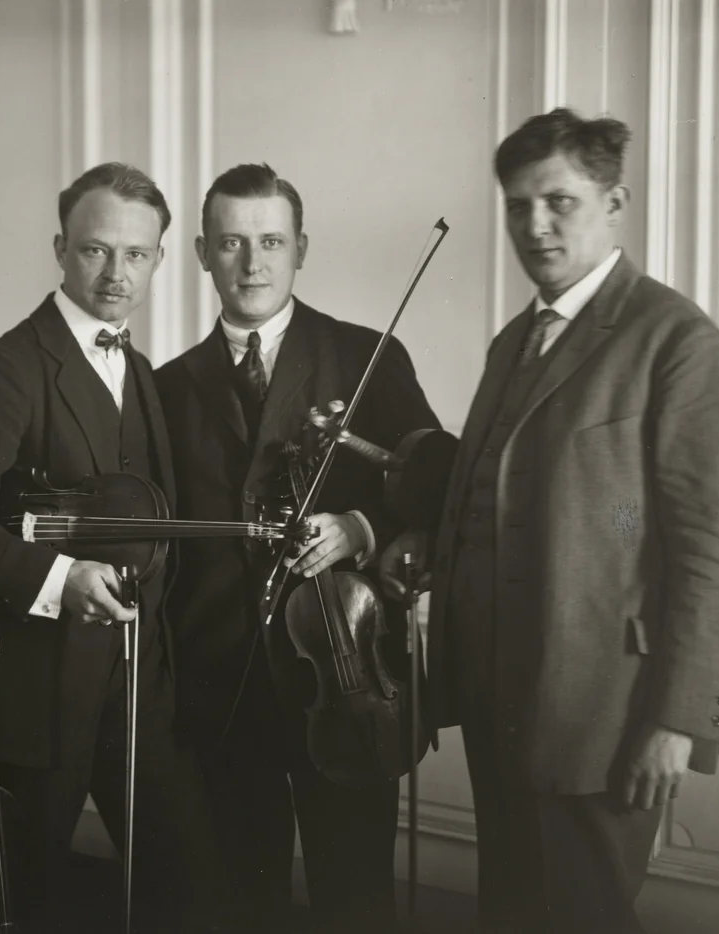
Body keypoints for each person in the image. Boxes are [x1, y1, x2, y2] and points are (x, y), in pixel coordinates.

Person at [380, 108, 719, 934]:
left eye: (559, 201)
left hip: (604, 715)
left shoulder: (676, 343)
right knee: (514, 913)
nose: (535, 225)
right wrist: (431, 544)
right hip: (498, 701)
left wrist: (676, 719)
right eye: (518, 205)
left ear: (615, 202)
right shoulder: (514, 344)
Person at [0, 162, 226, 933]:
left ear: (159, 259)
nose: (116, 273)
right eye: (96, 250)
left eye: (136, 254)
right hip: (38, 698)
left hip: (141, 693)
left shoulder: (143, 373)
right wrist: (59, 581)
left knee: (190, 891)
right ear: (61, 248)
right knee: (16, 904)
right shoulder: (5, 370)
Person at [155, 162, 441, 934]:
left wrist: (360, 528)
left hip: (344, 677)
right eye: (231, 243)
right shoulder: (167, 386)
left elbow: (438, 487)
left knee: (357, 901)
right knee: (241, 903)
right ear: (203, 253)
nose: (252, 263)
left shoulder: (367, 355)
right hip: (222, 683)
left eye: (272, 242)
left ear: (301, 249)